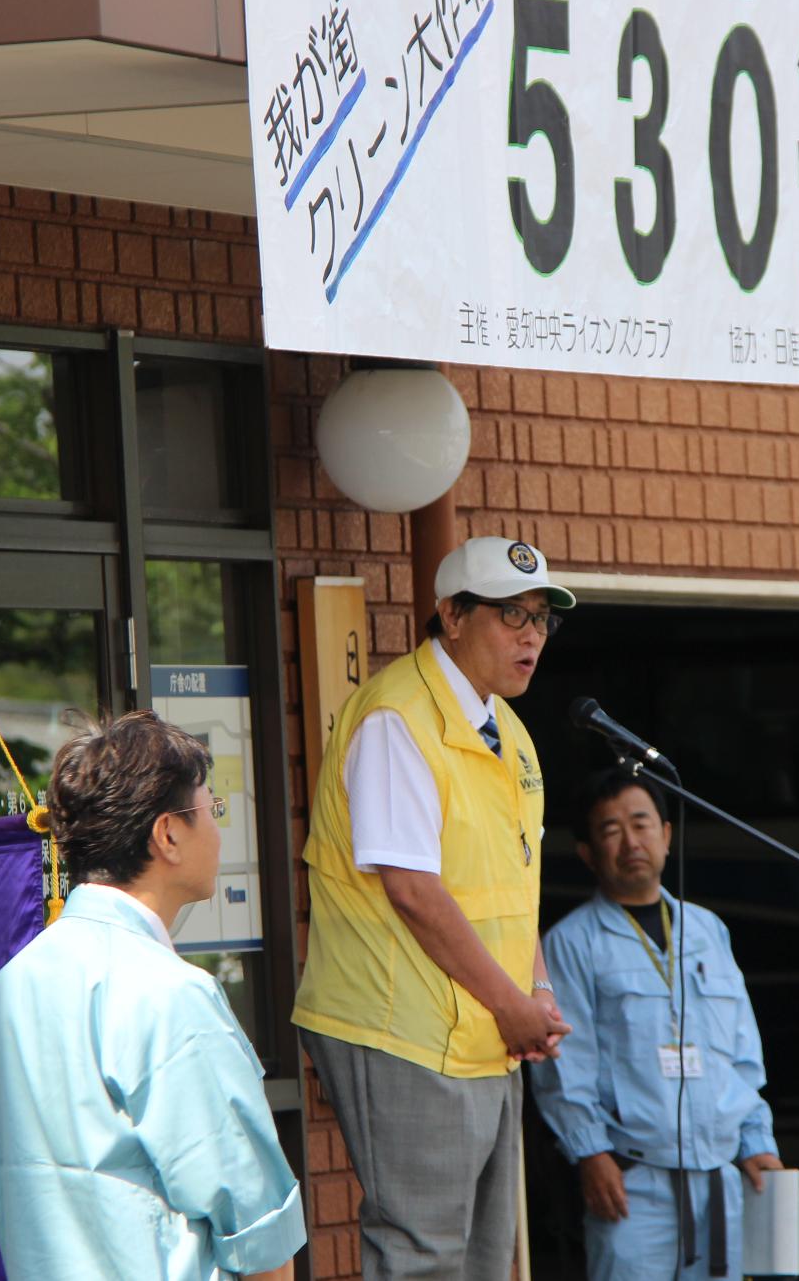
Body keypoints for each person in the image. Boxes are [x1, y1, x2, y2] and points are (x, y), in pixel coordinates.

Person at [292, 535, 576, 1280]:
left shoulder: (508, 731)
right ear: (451, 615)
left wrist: (536, 990)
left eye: (543, 618)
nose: (531, 635)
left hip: (485, 1029)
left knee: (486, 1258)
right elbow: (412, 890)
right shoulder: (397, 718)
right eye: (510, 613)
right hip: (402, 1029)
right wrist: (511, 1002)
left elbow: (516, 889)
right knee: (424, 1256)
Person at [0, 710, 306, 1281]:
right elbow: (257, 1236)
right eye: (212, 809)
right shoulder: (171, 994)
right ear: (168, 834)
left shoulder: (10, 985)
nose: (219, 828)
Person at [532, 768, 783, 1280]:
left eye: (642, 824)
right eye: (610, 830)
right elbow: (565, 1067)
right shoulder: (571, 942)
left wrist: (757, 1141)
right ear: (586, 852)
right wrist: (591, 1154)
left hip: (719, 1176)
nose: (631, 842)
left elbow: (741, 1052)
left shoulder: (707, 929)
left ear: (666, 835)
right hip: (631, 1180)